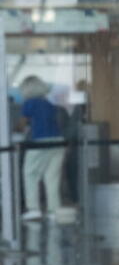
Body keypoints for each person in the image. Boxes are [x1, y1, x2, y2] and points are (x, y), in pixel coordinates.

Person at [17, 76, 68, 223]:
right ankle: (54, 210)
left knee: (30, 174)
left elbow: (22, 123)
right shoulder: (49, 103)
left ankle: (33, 209)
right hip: (58, 142)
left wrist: (16, 129)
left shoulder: (30, 103)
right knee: (52, 178)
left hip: (40, 142)